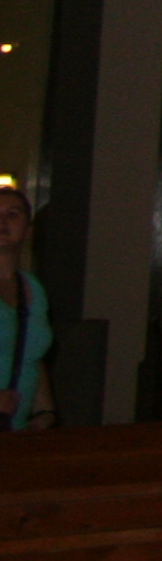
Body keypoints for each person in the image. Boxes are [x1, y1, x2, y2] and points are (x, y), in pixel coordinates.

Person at [0, 180, 49, 430]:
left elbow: (32, 355)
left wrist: (45, 411)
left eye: (13, 214)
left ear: (28, 230)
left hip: (18, 430)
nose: (2, 222)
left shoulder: (33, 289)